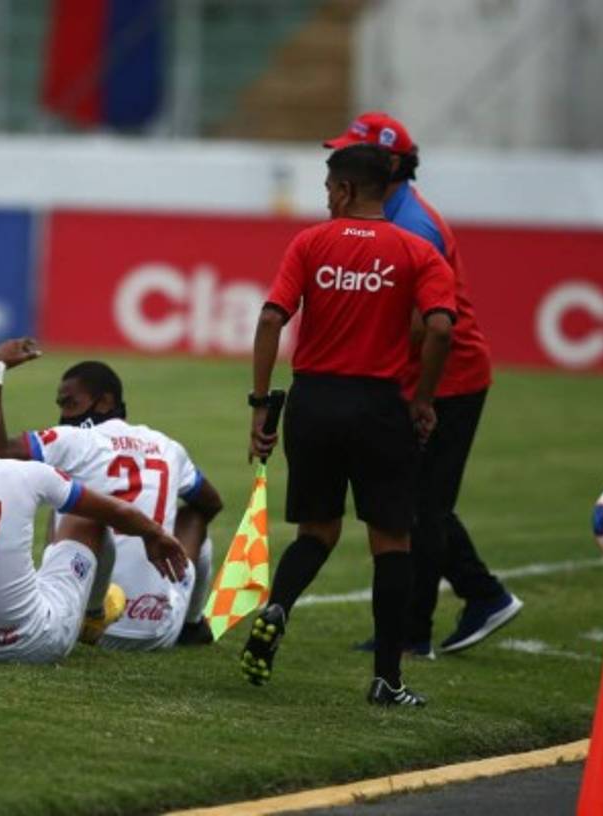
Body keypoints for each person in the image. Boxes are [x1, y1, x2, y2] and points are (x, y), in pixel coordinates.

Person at [243, 144, 457, 706]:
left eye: (327, 190)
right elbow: (440, 329)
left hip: (313, 402)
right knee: (390, 541)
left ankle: (277, 606)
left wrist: (262, 402)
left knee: (316, 532)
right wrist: (425, 399)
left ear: (341, 190)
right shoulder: (417, 251)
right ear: (384, 189)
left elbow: (271, 317)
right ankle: (388, 679)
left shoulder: (310, 243)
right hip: (378, 405)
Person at [324, 113, 522, 657]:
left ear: (386, 165)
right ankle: (478, 597)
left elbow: (424, 323)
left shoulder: (414, 227)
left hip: (447, 380)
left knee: (421, 507)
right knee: (416, 501)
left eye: (351, 155)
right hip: (422, 376)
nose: (339, 166)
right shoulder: (390, 214)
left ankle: (417, 633)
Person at [0, 385, 188, 663]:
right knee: (85, 517)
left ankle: (85, 612)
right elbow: (113, 510)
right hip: (39, 643)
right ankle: (93, 616)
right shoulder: (27, 472)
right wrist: (153, 533)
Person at [0, 339, 225, 650]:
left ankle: (91, 613)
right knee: (195, 516)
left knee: (68, 502)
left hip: (83, 619)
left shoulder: (79, 441)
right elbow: (211, 503)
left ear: (104, 402)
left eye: (70, 404)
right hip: (158, 631)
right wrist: (162, 537)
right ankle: (192, 624)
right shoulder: (167, 446)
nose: (64, 415)